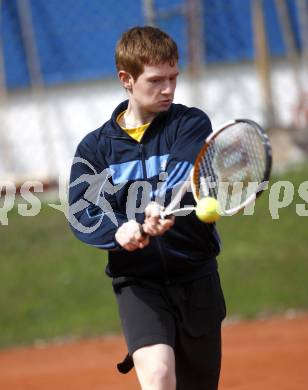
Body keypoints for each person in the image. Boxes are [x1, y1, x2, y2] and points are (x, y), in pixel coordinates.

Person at [69, 26, 226, 390]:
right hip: (139, 284)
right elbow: (81, 213)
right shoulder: (96, 149)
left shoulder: (190, 122)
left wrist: (158, 205)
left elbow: (183, 171)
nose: (168, 89)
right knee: (157, 377)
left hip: (196, 276)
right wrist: (120, 229)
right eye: (156, 80)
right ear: (126, 79)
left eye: (173, 77)